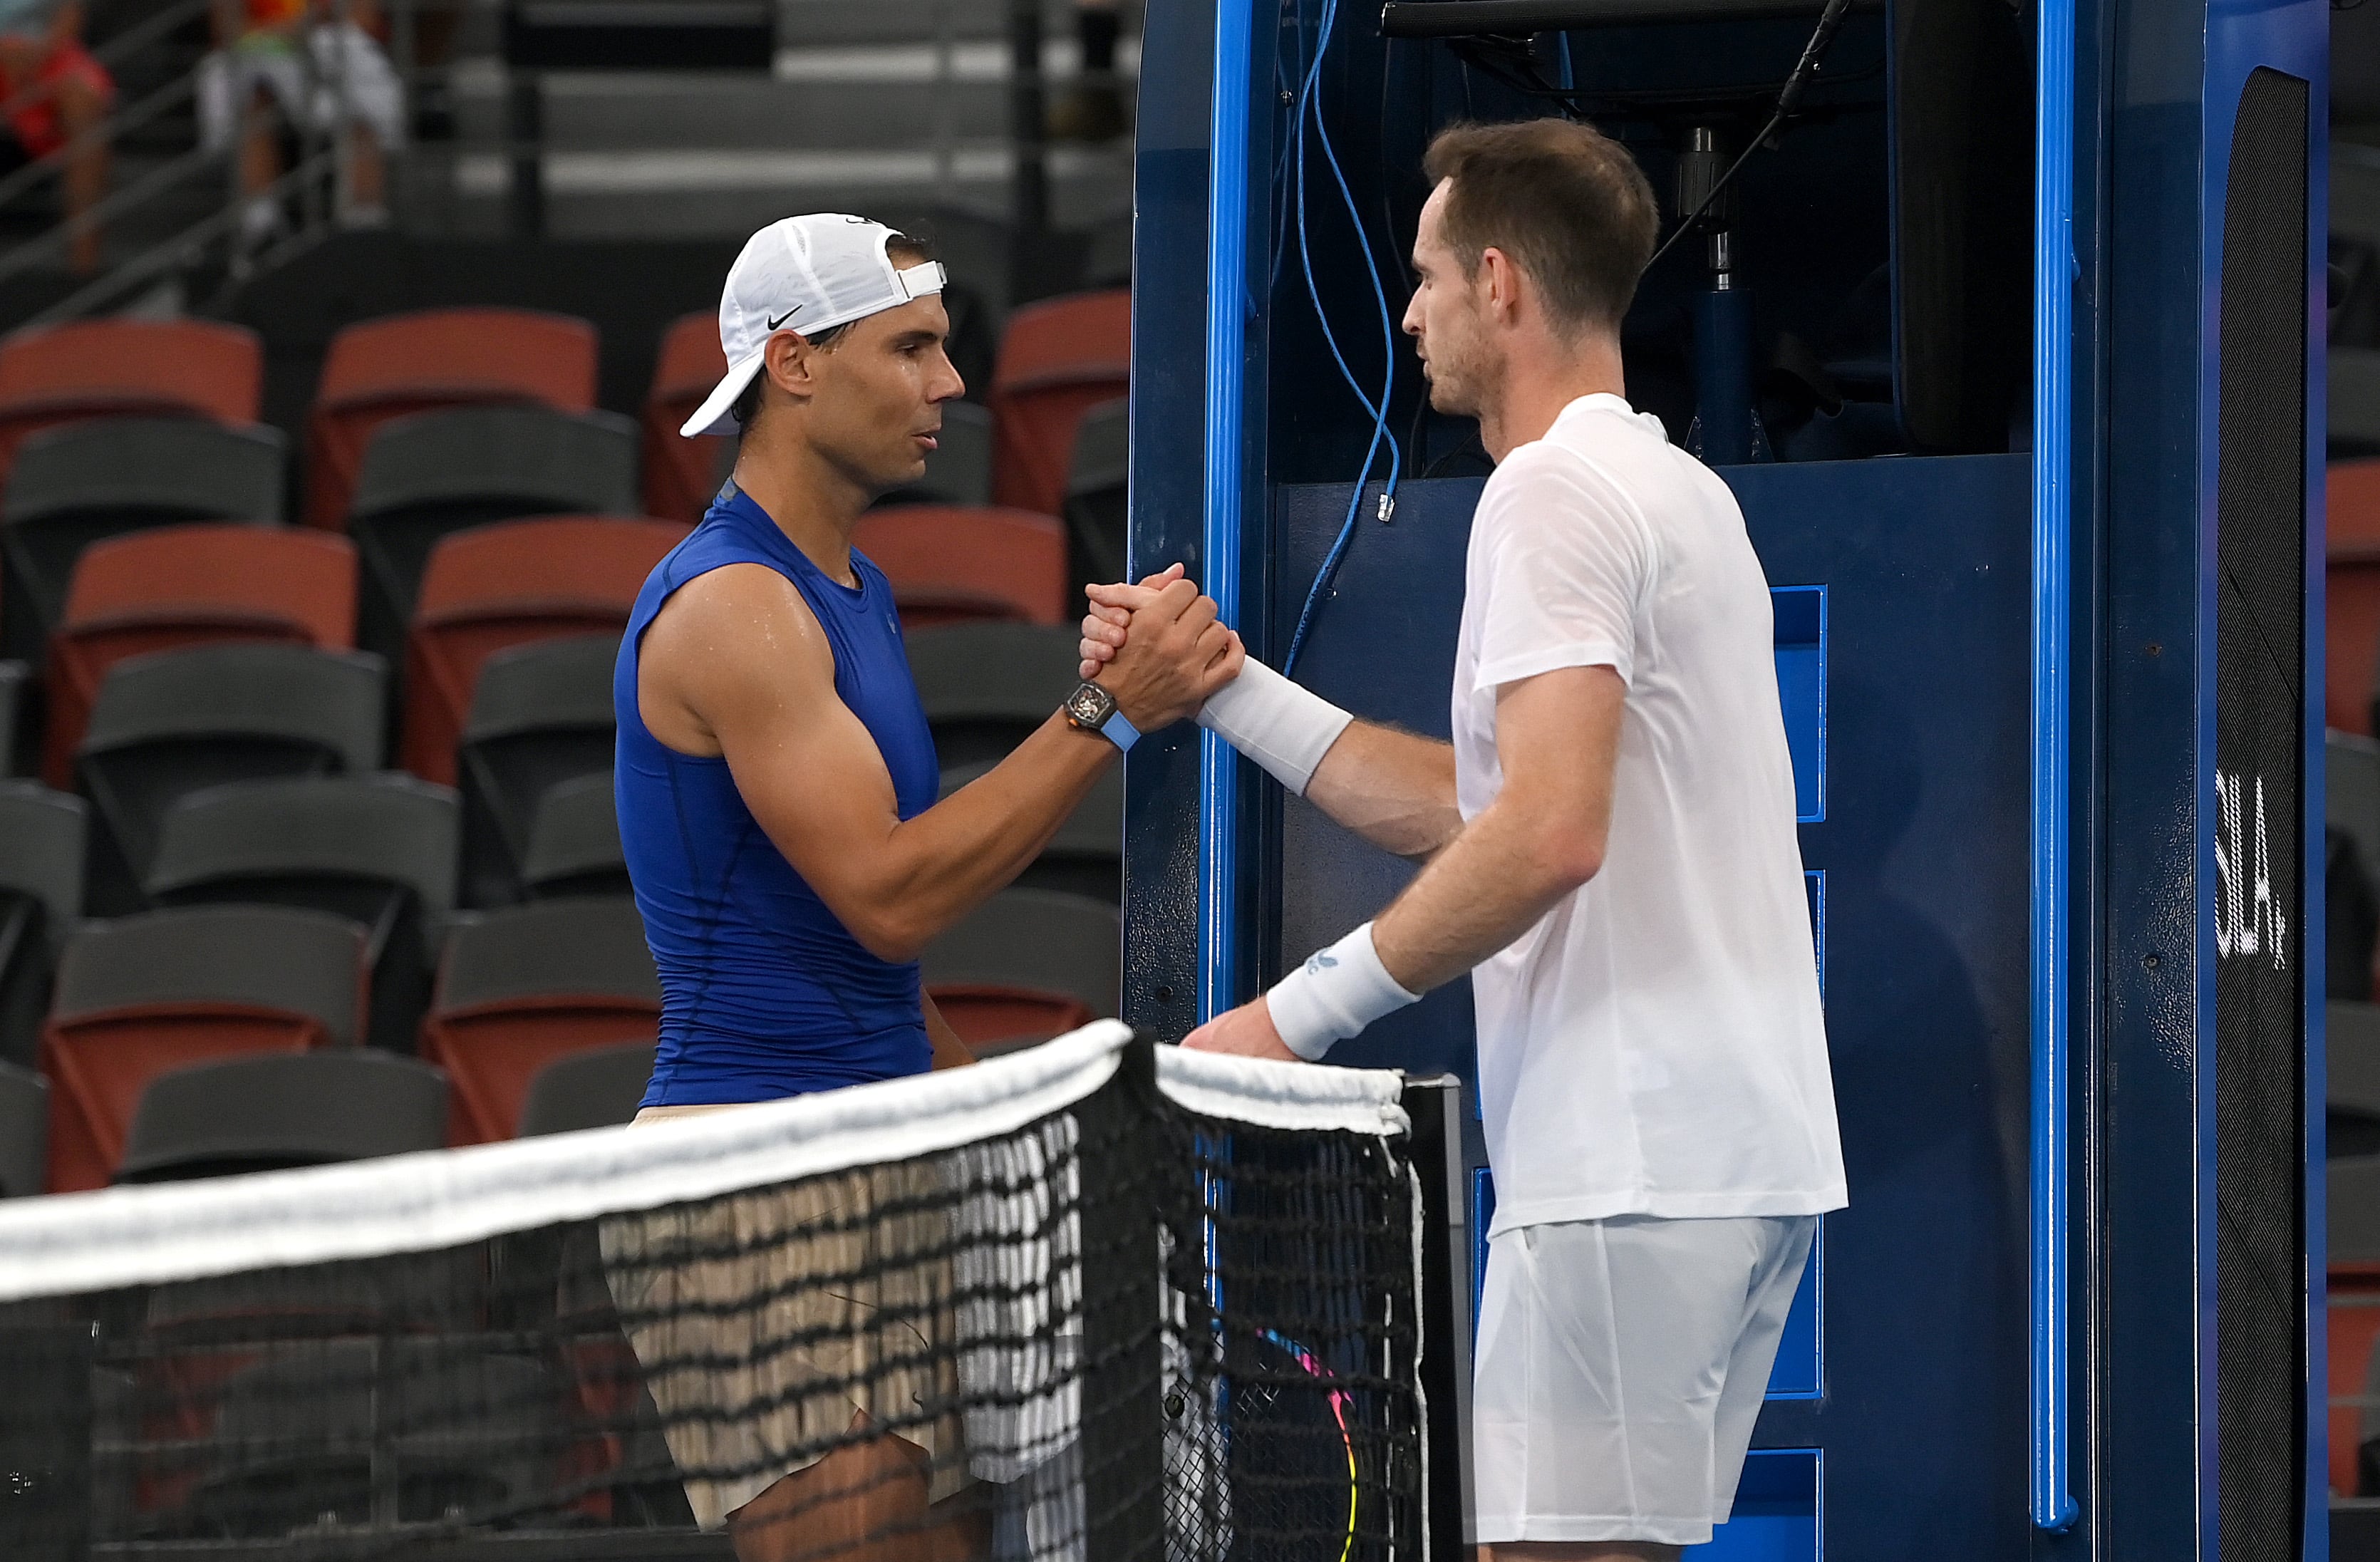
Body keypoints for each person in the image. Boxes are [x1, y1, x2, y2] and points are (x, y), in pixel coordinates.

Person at [1079, 118, 1847, 1561]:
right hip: (1726, 1166)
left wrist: (1286, 1022)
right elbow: (1496, 808)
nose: (1412, 312)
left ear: (1500, 285)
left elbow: (1545, 833)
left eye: (1427, 277)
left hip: (1627, 1168)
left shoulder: (1547, 492)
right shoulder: (1679, 492)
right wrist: (1225, 690)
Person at [603, 212, 1239, 1562]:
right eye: (912, 347)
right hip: (762, 1189)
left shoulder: (855, 591)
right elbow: (891, 896)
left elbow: (867, 974)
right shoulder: (732, 608)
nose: (951, 385)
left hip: (887, 1165)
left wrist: (1035, 1129)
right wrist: (1109, 709)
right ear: (794, 365)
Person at [197, 0, 403, 250]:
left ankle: (365, 219)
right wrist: (297, 25)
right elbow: (224, 29)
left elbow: (364, 20)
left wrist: (304, 27)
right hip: (267, 51)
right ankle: (260, 222)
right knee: (242, 85)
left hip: (330, 50)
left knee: (360, 85)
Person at [0, 0, 110, 274]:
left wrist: (37, 55)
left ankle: (82, 271)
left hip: (49, 57)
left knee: (84, 100)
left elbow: (70, 14)